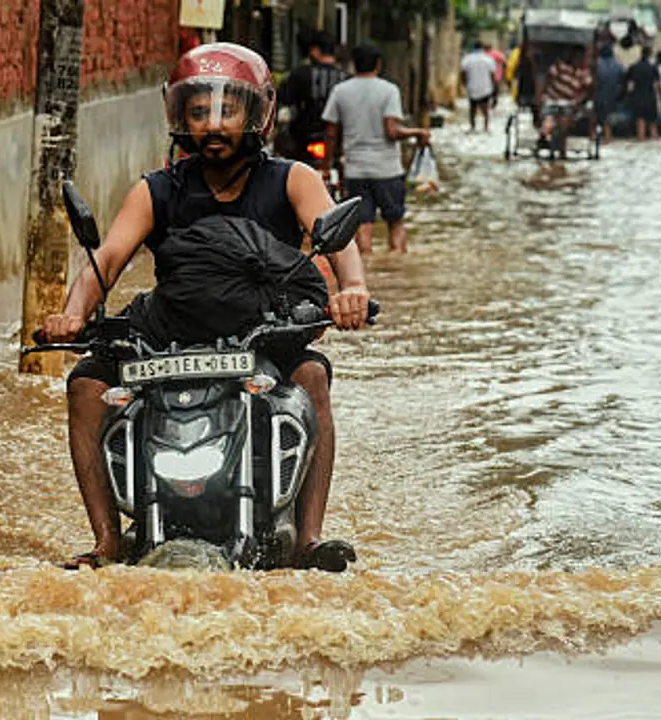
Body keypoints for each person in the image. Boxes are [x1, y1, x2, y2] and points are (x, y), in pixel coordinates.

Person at [40, 43, 372, 572]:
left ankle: (309, 539)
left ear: (256, 112)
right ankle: (105, 540)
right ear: (180, 115)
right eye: (199, 111)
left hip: (263, 333)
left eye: (227, 110)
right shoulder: (157, 189)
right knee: (84, 385)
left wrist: (350, 289)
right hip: (169, 334)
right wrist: (73, 313)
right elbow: (107, 259)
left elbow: (337, 242)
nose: (213, 124)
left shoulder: (292, 179)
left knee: (312, 377)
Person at [321, 43, 430, 254]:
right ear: (378, 64)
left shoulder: (340, 91)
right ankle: (396, 270)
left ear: (354, 64)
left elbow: (331, 133)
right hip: (387, 169)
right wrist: (417, 133)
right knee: (395, 222)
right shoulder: (389, 90)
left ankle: (368, 272)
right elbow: (392, 131)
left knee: (363, 224)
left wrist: (326, 166)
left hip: (355, 170)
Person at [277, 31, 350, 167]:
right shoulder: (345, 78)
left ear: (315, 51)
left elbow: (285, 102)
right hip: (339, 144)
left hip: (302, 142)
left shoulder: (299, 74)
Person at [538, 48, 584, 143]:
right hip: (552, 99)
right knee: (548, 119)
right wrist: (542, 94)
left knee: (565, 124)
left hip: (568, 103)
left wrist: (578, 101)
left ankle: (562, 146)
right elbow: (548, 78)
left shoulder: (581, 74)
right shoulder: (560, 67)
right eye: (577, 58)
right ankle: (543, 136)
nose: (579, 61)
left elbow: (586, 88)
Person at [625, 45, 661, 140]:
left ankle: (641, 141)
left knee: (640, 124)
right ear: (650, 55)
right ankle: (657, 145)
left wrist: (628, 98)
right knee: (653, 125)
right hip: (650, 98)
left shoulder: (633, 67)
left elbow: (629, 86)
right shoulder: (653, 68)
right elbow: (659, 86)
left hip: (638, 98)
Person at [460, 40, 499, 132]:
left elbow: (462, 73)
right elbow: (493, 75)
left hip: (471, 86)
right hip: (485, 87)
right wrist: (494, 88)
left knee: (472, 108)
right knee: (485, 109)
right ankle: (485, 127)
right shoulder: (488, 59)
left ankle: (473, 127)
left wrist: (465, 84)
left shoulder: (467, 59)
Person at [594, 44, 625, 143]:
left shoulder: (597, 64)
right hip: (613, 96)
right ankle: (608, 137)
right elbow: (622, 82)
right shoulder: (618, 66)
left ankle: (596, 137)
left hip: (598, 95)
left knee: (597, 118)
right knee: (608, 119)